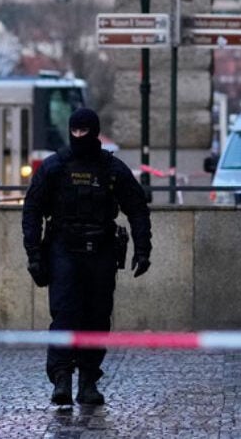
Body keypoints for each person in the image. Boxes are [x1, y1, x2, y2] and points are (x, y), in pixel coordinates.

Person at [22, 107, 152, 407]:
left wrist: (143, 249)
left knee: (96, 318)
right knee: (65, 316)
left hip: (101, 252)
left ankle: (88, 381)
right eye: (75, 131)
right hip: (63, 250)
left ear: (94, 133)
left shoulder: (112, 169)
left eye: (84, 131)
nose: (79, 136)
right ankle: (62, 379)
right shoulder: (54, 167)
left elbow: (137, 209)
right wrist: (34, 254)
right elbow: (32, 210)